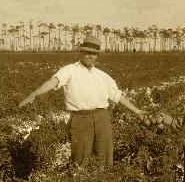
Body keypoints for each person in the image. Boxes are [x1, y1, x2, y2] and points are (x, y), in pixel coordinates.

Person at [19, 34, 146, 166]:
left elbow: (117, 95)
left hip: (102, 118)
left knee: (105, 157)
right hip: (80, 119)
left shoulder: (103, 76)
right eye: (88, 53)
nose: (91, 56)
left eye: (94, 54)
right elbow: (53, 82)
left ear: (97, 56)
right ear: (82, 52)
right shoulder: (69, 70)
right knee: (80, 159)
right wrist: (34, 94)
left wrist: (137, 111)